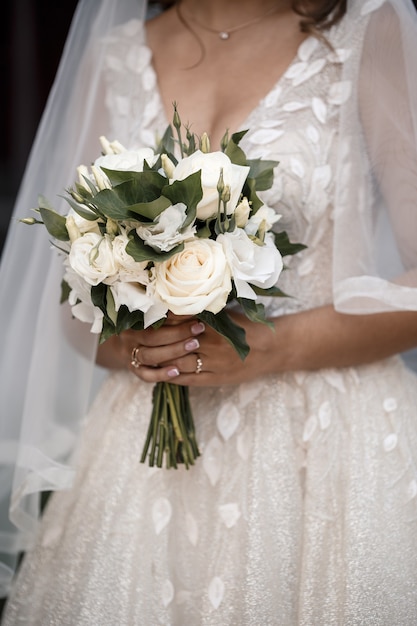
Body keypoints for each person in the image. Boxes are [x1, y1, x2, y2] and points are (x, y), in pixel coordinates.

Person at [1, 0, 417, 623]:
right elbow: (72, 298)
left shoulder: (363, 33)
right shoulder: (114, 58)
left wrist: (277, 345)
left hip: (327, 445)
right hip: (146, 451)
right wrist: (135, 346)